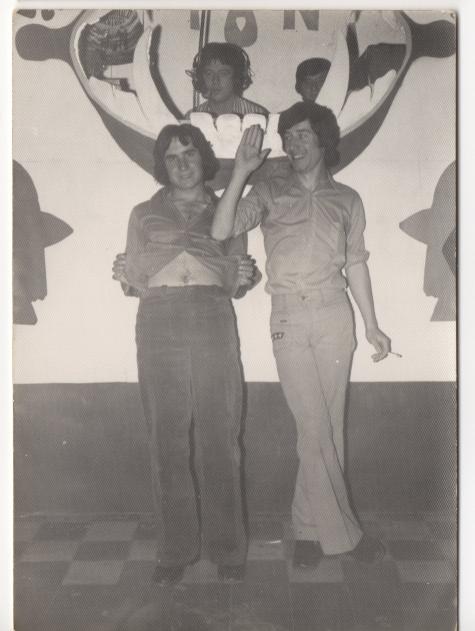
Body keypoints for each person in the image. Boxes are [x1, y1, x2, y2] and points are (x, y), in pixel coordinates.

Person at [211, 101, 391, 568]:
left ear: (324, 141)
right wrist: (241, 171)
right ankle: (346, 535)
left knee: (327, 426)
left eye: (303, 135)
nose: (293, 145)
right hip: (289, 316)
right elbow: (222, 228)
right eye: (288, 137)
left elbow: (357, 263)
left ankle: (308, 529)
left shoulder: (348, 199)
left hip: (335, 313)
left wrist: (372, 324)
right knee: (313, 426)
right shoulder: (269, 190)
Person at [112, 123, 259, 585]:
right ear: (163, 166)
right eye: (172, 158)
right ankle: (175, 550)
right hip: (158, 319)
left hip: (212, 317)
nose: (181, 164)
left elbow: (237, 278)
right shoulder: (142, 213)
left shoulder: (227, 209)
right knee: (166, 439)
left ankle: (228, 550)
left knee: (221, 437)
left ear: (204, 158)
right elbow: (130, 279)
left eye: (189, 154)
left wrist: (246, 276)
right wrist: (124, 271)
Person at [186, 42, 268, 118]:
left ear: (236, 77)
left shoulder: (258, 115)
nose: (215, 80)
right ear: (201, 77)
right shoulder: (191, 117)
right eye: (209, 73)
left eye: (223, 73)